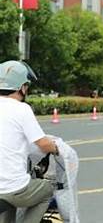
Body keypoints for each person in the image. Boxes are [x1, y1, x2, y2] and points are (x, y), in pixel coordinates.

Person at [0, 60, 59, 223]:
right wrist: (55, 148)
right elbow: (43, 144)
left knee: (8, 199)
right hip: (15, 189)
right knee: (47, 190)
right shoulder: (21, 109)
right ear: (22, 87)